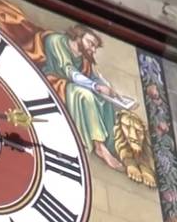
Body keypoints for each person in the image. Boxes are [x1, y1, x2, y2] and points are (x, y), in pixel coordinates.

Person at [39, 25, 126, 171]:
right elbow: (69, 71)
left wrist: (106, 88)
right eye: (90, 43)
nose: (93, 49)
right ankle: (99, 146)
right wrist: (95, 86)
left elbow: (91, 77)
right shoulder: (57, 41)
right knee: (85, 95)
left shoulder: (84, 57)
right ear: (78, 36)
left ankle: (110, 145)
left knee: (105, 100)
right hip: (55, 82)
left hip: (71, 85)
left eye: (95, 47)